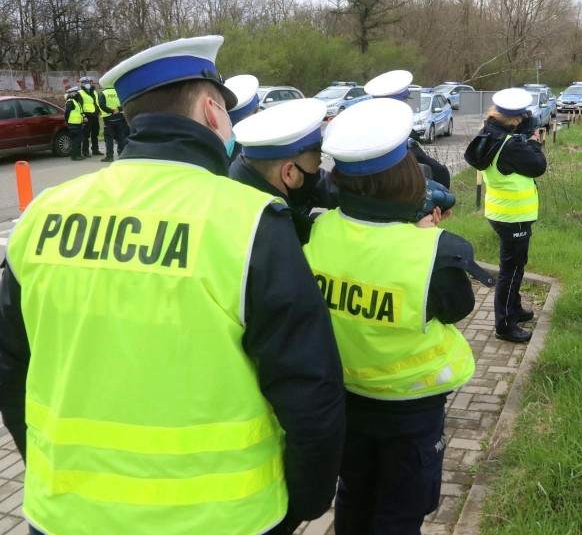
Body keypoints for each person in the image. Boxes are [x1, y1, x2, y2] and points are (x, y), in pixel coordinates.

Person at [0, 35, 346, 535]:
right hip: (225, 519)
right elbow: (310, 391)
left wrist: (45, 471)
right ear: (210, 112)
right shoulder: (249, 224)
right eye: (228, 112)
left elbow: (11, 369)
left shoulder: (42, 217)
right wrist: (308, 502)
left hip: (65, 516)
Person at [302, 97, 493, 535]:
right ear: (408, 176)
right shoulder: (435, 251)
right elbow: (458, 307)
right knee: (400, 513)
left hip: (345, 398)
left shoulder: (319, 228)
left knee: (353, 495)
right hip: (411, 411)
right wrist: (422, 236)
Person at [469, 88, 546, 343]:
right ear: (516, 119)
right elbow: (538, 166)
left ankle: (514, 309)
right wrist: (534, 142)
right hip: (513, 217)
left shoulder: (491, 134)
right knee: (510, 271)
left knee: (515, 266)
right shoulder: (510, 145)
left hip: (499, 211)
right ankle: (504, 325)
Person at [230, 98, 334, 244]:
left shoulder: (241, 178)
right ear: (288, 173)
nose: (317, 175)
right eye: (316, 167)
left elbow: (322, 186)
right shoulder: (273, 238)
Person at [364, 69, 452, 188]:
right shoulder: (402, 137)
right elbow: (438, 172)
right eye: (406, 99)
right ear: (400, 103)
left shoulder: (364, 132)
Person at [98, 84, 127, 161]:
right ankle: (122, 155)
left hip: (109, 119)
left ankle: (109, 156)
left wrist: (111, 111)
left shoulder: (103, 93)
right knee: (121, 137)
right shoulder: (119, 92)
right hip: (119, 117)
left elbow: (102, 105)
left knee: (109, 138)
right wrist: (118, 109)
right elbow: (124, 102)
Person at [78, 76, 102, 156]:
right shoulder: (80, 93)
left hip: (95, 115)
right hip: (87, 116)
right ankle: (85, 151)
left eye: (88, 82)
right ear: (81, 84)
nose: (87, 84)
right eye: (85, 83)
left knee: (95, 134)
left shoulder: (94, 92)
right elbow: (79, 106)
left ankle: (95, 150)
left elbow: (96, 103)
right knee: (86, 135)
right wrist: (83, 116)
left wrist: (98, 112)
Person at [63, 86, 86, 161]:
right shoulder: (70, 102)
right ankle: (74, 155)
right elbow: (66, 113)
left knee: (79, 140)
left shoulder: (77, 102)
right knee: (75, 141)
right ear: (72, 94)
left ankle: (78, 154)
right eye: (76, 92)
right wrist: (67, 122)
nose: (77, 93)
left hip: (78, 124)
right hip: (73, 124)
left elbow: (80, 112)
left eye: (77, 92)